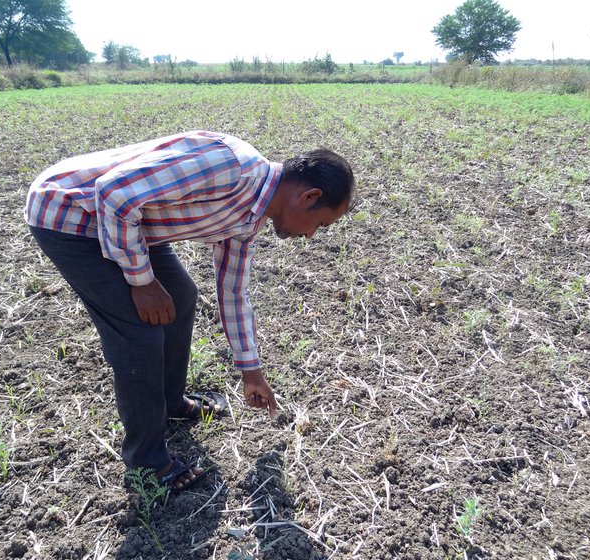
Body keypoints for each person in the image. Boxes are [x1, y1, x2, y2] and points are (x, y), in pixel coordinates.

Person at [25, 130, 355, 490]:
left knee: (179, 296)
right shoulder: (232, 167)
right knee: (139, 334)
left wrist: (251, 371)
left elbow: (232, 292)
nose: (311, 236)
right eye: (320, 224)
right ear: (309, 196)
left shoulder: (248, 221)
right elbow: (114, 194)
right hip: (71, 213)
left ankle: (169, 403)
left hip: (132, 226)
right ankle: (147, 466)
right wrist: (142, 281)